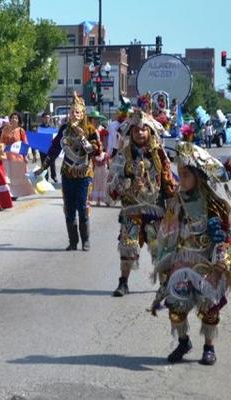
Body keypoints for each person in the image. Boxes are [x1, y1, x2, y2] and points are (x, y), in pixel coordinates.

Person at [150, 142, 230, 365]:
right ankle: (183, 342)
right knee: (175, 306)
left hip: (206, 261)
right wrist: (164, 262)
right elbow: (167, 234)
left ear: (197, 175)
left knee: (209, 307)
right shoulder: (176, 202)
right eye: (180, 174)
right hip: (182, 260)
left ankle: (209, 347)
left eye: (185, 175)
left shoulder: (215, 204)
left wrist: (222, 247)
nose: (181, 180)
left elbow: (227, 233)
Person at [107, 108, 176, 296]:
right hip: (132, 209)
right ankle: (123, 283)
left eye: (143, 129)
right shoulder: (122, 155)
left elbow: (168, 180)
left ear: (150, 131)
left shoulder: (159, 155)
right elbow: (112, 186)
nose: (139, 133)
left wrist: (173, 203)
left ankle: (165, 284)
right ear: (131, 133)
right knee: (128, 246)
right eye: (136, 130)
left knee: (159, 248)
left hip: (155, 210)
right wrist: (128, 181)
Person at [35, 92, 102, 251]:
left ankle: (85, 240)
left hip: (84, 174)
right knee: (69, 208)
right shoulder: (64, 129)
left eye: (77, 112)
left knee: (83, 207)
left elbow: (96, 152)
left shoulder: (90, 129)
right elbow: (54, 149)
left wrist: (82, 137)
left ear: (83, 113)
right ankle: (73, 241)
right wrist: (43, 168)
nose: (74, 115)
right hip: (67, 173)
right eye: (72, 112)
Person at [1, 112, 35, 200]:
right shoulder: (5, 129)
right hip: (7, 156)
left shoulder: (21, 131)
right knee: (8, 175)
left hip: (17, 157)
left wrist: (25, 156)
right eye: (12, 118)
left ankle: (16, 193)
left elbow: (25, 144)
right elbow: (2, 141)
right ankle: (9, 192)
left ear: (18, 120)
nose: (14, 119)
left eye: (16, 118)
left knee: (17, 176)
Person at [38, 112, 57, 183]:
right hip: (43, 148)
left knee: (52, 163)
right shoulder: (39, 128)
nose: (47, 119)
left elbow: (55, 137)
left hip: (51, 148)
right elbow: (38, 138)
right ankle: (45, 177)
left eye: (48, 118)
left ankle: (54, 176)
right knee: (44, 163)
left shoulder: (52, 127)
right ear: (42, 119)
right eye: (45, 118)